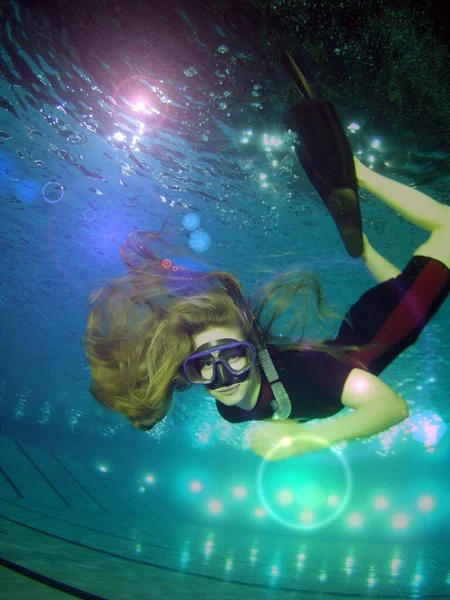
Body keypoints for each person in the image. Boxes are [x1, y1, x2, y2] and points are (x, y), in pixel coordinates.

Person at [83, 54, 450, 460]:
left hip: (386, 326)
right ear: (188, 370)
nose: (223, 378)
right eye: (204, 364)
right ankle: (362, 248)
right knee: (400, 284)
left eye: (234, 357)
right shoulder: (230, 409)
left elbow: (391, 408)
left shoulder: (310, 374)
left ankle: (359, 171)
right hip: (361, 324)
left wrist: (299, 441)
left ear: (254, 348)